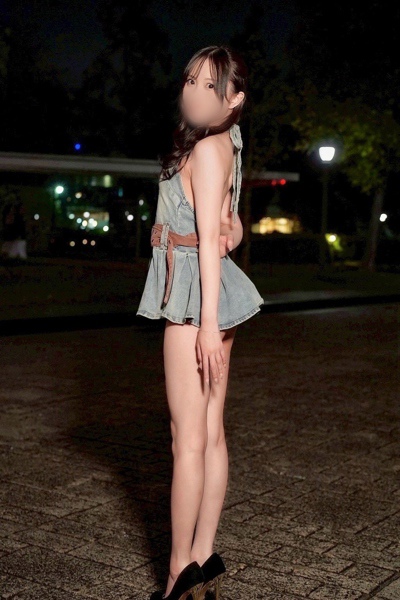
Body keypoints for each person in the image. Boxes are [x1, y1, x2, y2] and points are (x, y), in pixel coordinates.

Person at [136, 45, 264, 600]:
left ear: (234, 99)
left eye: (209, 85)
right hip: (207, 293)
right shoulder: (226, 142)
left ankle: (177, 574)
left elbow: (213, 241)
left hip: (195, 299)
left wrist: (207, 324)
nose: (193, 91)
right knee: (209, 432)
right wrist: (227, 230)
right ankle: (204, 557)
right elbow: (229, 228)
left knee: (186, 439)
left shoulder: (208, 147)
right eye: (190, 79)